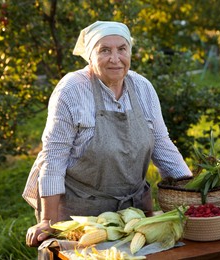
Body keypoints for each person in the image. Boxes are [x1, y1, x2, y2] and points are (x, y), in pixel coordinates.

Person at [23, 21, 192, 247]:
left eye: (122, 49)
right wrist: (47, 220)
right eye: (104, 50)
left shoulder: (142, 87)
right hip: (80, 214)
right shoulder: (72, 90)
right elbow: (54, 157)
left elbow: (162, 145)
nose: (115, 58)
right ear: (90, 56)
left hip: (134, 214)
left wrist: (193, 190)